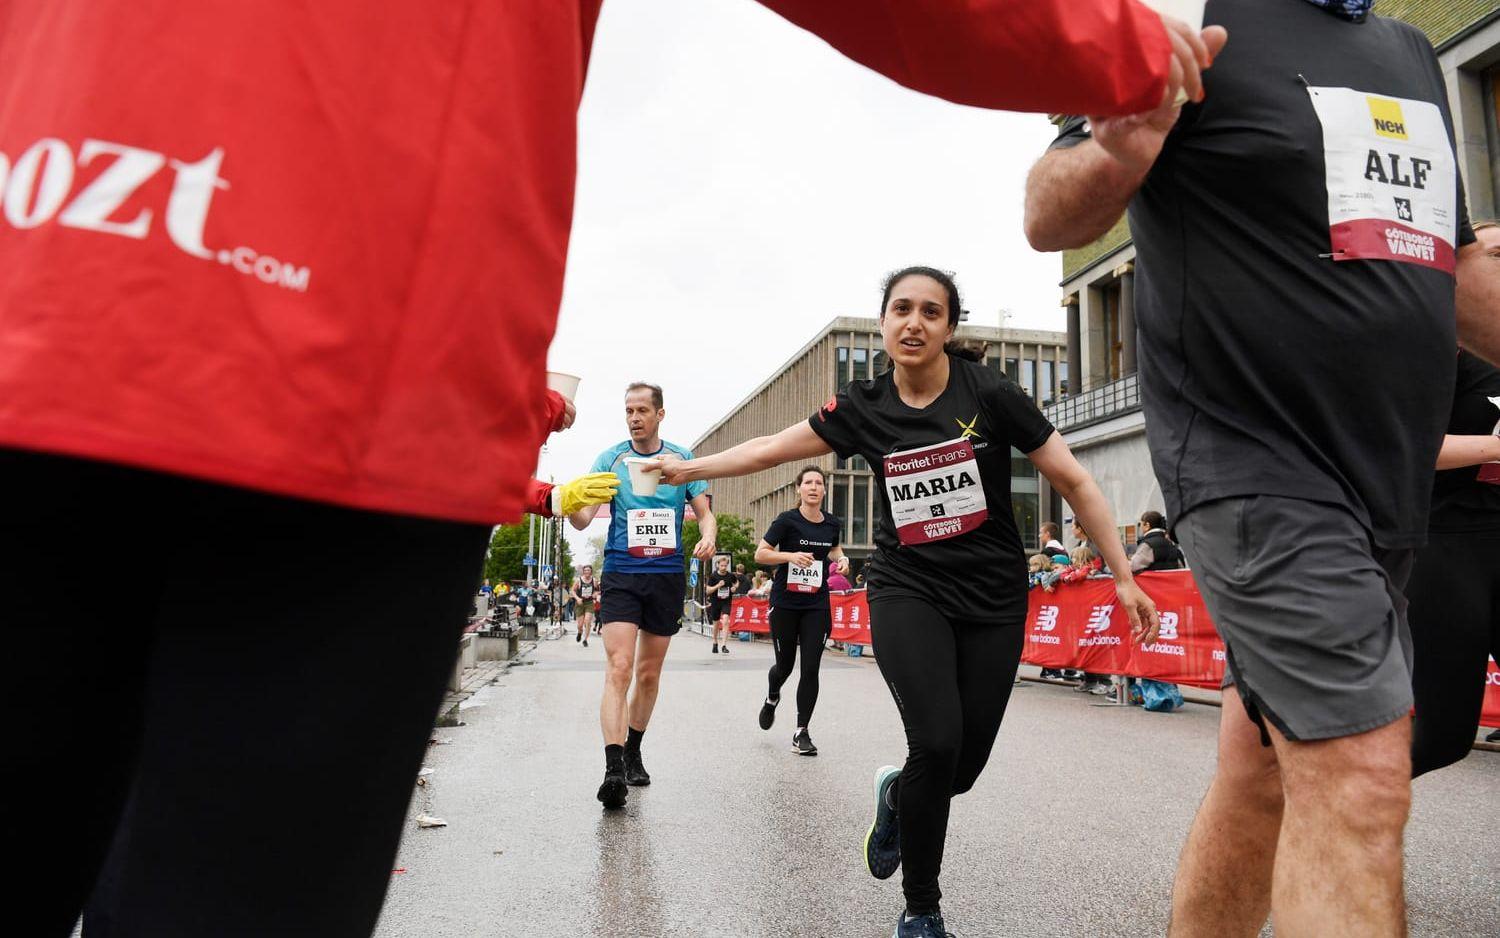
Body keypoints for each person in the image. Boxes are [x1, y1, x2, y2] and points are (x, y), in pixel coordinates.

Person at [1023, 1, 1500, 933]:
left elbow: (1459, 270)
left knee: (1263, 772)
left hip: (1388, 488)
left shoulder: (1403, 47)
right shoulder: (1195, 12)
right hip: (1254, 466)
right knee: (1362, 775)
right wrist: (1123, 147)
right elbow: (1048, 209)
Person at [651, 266, 1157, 937]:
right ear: (884, 322)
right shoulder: (862, 405)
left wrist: (1123, 575)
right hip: (907, 586)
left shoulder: (992, 394)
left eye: (931, 311)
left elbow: (1072, 479)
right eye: (901, 309)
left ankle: (899, 795)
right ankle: (922, 908)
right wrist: (691, 468)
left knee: (961, 767)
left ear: (949, 327)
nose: (914, 322)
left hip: (993, 597)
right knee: (937, 740)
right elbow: (772, 449)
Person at [569, 382, 714, 811]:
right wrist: (569, 500)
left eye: (641, 410)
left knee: (648, 674)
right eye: (628, 410)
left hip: (666, 574)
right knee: (619, 667)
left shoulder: (682, 458)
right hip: (621, 573)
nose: (634, 418)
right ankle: (613, 769)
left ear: (660, 414)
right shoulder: (610, 459)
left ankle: (633, 748)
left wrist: (708, 536)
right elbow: (580, 521)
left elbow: (706, 513)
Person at [1406, 223, 1500, 774]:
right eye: (1495, 253)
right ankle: (1323, 807)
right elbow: (1405, 445)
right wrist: (1494, 446)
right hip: (1447, 546)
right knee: (1445, 736)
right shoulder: (1439, 350)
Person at [755, 465, 850, 756]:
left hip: (816, 604)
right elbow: (761, 553)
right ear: (799, 489)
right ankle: (773, 697)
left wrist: (842, 558)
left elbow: (833, 549)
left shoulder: (831, 523)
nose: (813, 487)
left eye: (818, 483)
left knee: (810, 667)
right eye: (807, 482)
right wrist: (790, 556)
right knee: (784, 666)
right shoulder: (787, 521)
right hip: (785, 603)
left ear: (824, 490)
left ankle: (801, 731)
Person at [705, 556, 736, 654]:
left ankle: (724, 645)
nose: (723, 567)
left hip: (726, 601)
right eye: (721, 565)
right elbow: (708, 591)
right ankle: (715, 642)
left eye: (725, 566)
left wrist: (734, 588)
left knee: (726, 620)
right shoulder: (713, 576)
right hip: (715, 601)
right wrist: (718, 586)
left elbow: (736, 583)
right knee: (716, 624)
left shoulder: (730, 575)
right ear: (718, 565)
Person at [571, 565, 601, 647]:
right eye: (586, 570)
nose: (587, 572)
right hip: (580, 603)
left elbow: (598, 590)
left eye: (589, 570)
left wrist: (595, 594)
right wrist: (577, 599)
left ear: (591, 571)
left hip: (589, 603)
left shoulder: (594, 580)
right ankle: (580, 632)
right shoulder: (579, 580)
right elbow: (572, 591)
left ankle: (585, 639)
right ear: (583, 572)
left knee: (587, 621)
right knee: (580, 625)